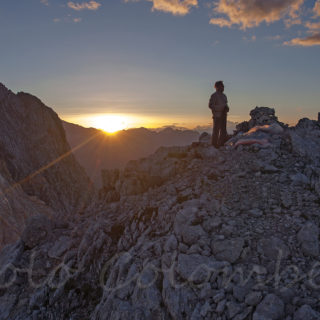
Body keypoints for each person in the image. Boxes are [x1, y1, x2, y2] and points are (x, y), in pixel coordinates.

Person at [208, 81, 229, 148]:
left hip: (224, 115)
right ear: (217, 87)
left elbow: (225, 104)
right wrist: (220, 108)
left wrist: (226, 108)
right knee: (216, 130)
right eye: (222, 86)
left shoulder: (224, 96)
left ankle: (221, 144)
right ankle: (214, 145)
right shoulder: (214, 95)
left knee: (223, 130)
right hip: (217, 115)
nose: (223, 87)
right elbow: (211, 105)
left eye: (223, 86)